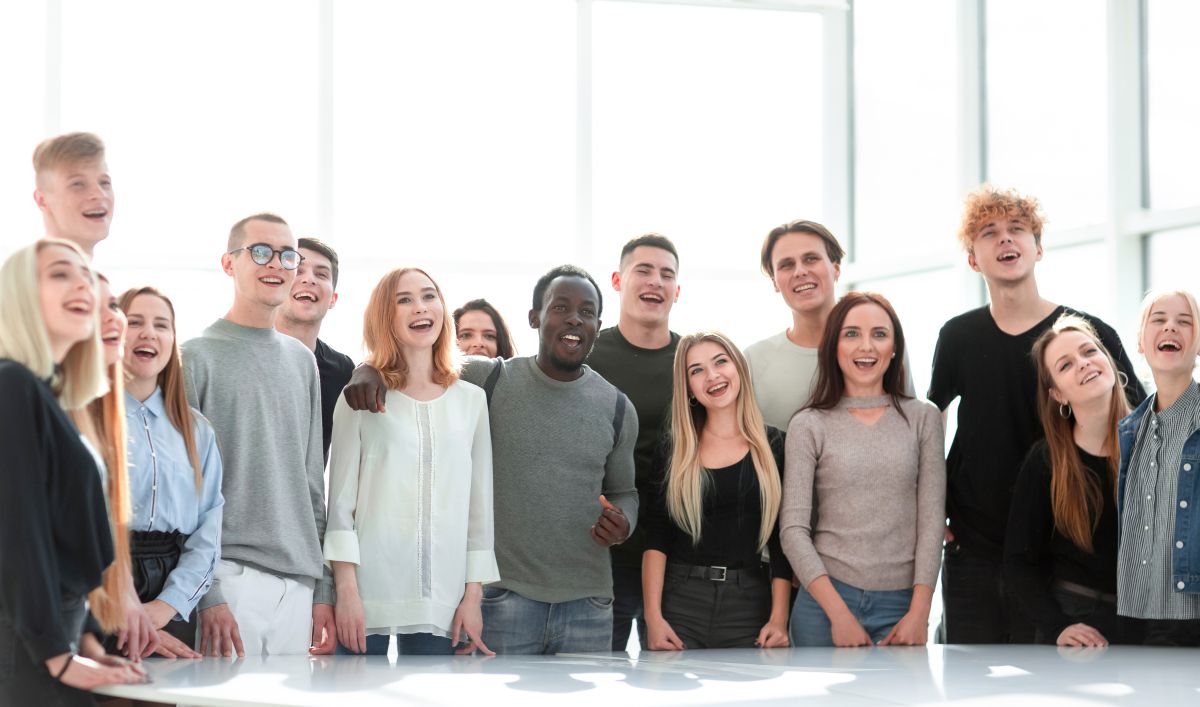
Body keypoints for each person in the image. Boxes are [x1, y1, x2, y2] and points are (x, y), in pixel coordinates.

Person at [344, 264, 639, 655]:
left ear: (598, 325)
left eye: (586, 312)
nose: (574, 318)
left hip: (589, 603)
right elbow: (418, 357)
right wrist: (368, 369)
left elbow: (625, 492)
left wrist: (624, 522)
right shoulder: (490, 379)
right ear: (535, 317)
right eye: (560, 307)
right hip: (504, 601)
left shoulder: (618, 407)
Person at [928, 185, 1145, 644]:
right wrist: (934, 510)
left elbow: (1139, 422)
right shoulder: (957, 336)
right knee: (969, 682)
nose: (1005, 240)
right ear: (973, 259)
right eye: (989, 233)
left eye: (1017, 230)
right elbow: (930, 422)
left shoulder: (1086, 334)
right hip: (976, 546)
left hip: (1062, 557)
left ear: (1038, 247)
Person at [324, 267, 498, 656]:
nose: (420, 307)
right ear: (385, 317)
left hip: (444, 601)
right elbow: (339, 507)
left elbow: (479, 512)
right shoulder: (360, 396)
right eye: (404, 300)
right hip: (366, 598)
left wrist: (473, 598)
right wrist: (346, 592)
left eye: (428, 296)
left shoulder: (471, 401)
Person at [0, 239, 145, 704]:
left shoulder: (44, 395)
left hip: (49, 645)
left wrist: (81, 641)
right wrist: (56, 654)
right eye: (60, 273)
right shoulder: (12, 385)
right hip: (24, 653)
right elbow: (20, 530)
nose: (82, 283)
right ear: (19, 295)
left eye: (85, 275)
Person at [183, 213, 334, 657]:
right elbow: (187, 489)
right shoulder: (193, 358)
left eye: (288, 255)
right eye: (261, 252)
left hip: (298, 586)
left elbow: (311, 484)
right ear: (229, 264)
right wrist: (207, 594)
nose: (277, 265)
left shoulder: (301, 362)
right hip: (229, 579)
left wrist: (323, 590)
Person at [782, 292, 945, 647]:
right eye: (851, 334)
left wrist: (919, 613)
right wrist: (838, 615)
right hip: (824, 604)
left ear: (895, 348)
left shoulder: (923, 418)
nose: (865, 346)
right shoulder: (809, 424)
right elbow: (793, 530)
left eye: (879, 334)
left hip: (902, 606)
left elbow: (932, 523)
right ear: (833, 346)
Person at [642, 331, 791, 650]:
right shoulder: (674, 449)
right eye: (696, 370)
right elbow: (656, 537)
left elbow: (782, 542)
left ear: (739, 368)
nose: (712, 376)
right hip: (680, 604)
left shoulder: (775, 446)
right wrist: (654, 619)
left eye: (720, 362)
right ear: (690, 389)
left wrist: (779, 619)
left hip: (750, 604)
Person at [1004, 315, 1141, 647]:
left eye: (1089, 352)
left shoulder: (1157, 444)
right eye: (1065, 365)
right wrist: (1057, 627)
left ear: (1109, 360)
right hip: (1076, 619)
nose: (1083, 364)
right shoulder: (1045, 461)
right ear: (1058, 395)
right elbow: (1018, 563)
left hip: (1150, 624)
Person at [586, 233, 681, 651]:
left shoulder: (693, 361)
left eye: (666, 274)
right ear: (617, 280)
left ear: (677, 291)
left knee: (671, 682)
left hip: (676, 554)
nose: (654, 282)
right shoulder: (587, 356)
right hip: (601, 554)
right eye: (643, 270)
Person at [120, 286, 225, 659]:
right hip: (105, 583)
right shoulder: (87, 420)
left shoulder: (197, 431)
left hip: (173, 589)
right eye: (135, 322)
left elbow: (207, 531)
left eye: (161, 325)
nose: (149, 333)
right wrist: (125, 610)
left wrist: (166, 606)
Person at [746, 220, 913, 431]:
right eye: (786, 265)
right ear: (775, 282)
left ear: (836, 268)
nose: (800, 271)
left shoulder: (882, 346)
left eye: (811, 259)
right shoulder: (753, 361)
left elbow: (909, 429)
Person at [1116, 290, 1200, 646]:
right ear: (1139, 341)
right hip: (1135, 616)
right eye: (1159, 320)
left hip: (1191, 615)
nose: (1171, 327)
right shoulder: (1129, 430)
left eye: (1185, 322)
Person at [276, 237, 355, 460]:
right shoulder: (245, 357)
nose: (308, 279)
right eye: (297, 271)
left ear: (333, 299)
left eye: (321, 274)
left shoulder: (342, 370)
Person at [32, 132, 113, 258]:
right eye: (78, 184)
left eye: (104, 183)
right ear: (42, 200)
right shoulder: (23, 276)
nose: (99, 194)